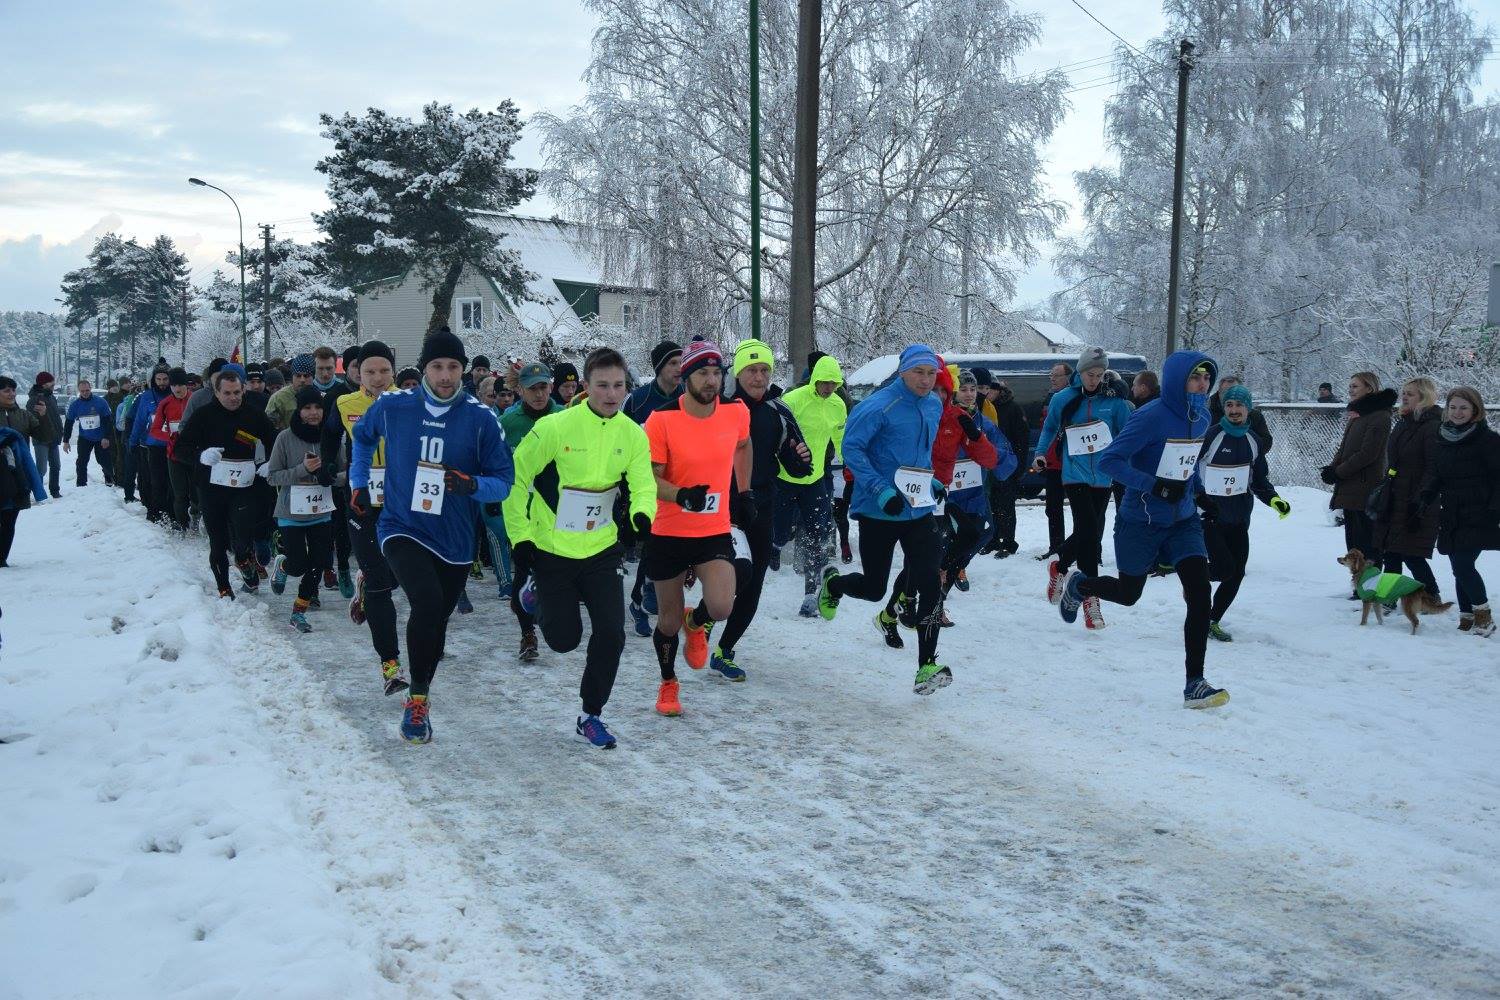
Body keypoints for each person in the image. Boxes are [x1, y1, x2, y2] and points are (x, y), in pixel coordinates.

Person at [350, 329, 513, 744]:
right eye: (437, 366)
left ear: (463, 370)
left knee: (435, 620)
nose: (445, 375)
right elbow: (363, 437)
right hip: (401, 525)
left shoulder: (481, 418)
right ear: (424, 368)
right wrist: (359, 480)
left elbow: (504, 481)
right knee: (426, 601)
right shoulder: (393, 406)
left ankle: (421, 685)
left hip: (455, 539)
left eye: (453, 367)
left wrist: (470, 485)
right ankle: (417, 702)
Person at [1056, 351, 1232, 709]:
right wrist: (1154, 485)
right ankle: (1081, 584)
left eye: (1206, 378)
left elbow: (1189, 462)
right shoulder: (1150, 417)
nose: (1202, 384)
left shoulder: (1203, 417)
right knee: (1128, 593)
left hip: (1183, 522)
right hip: (1141, 521)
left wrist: (1199, 493)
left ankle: (1194, 683)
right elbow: (1110, 461)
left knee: (1199, 593)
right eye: (1195, 377)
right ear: (1177, 380)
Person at [505, 348, 656, 747]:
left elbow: (643, 485)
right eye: (602, 385)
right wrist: (520, 537)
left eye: (618, 386)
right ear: (585, 387)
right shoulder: (555, 428)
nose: (611, 394)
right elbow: (515, 480)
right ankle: (533, 593)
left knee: (612, 633)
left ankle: (591, 714)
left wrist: (642, 515)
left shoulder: (633, 433)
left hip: (602, 548)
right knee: (564, 640)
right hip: (552, 549)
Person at [815, 343, 951, 695]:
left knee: (930, 583)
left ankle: (926, 666)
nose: (925, 380)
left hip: (918, 509)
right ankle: (835, 585)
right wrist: (879, 490)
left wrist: (930, 480)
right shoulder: (878, 406)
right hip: (880, 508)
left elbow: (917, 454)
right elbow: (853, 450)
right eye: (918, 372)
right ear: (903, 371)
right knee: (875, 588)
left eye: (931, 373)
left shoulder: (934, 404)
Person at [641, 337, 751, 715]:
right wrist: (681, 496)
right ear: (686, 377)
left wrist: (745, 490)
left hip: (712, 528)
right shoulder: (662, 420)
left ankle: (698, 620)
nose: (711, 381)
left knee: (722, 605)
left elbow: (744, 445)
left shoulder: (735, 413)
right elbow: (650, 478)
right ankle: (668, 683)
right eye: (702, 373)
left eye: (717, 373)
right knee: (667, 621)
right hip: (668, 530)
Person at [709, 339, 811, 681]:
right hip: (722, 506)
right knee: (739, 571)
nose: (758, 377)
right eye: (751, 369)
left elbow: (795, 464)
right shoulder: (717, 406)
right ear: (738, 372)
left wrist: (800, 460)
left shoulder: (778, 412)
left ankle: (724, 650)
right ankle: (704, 617)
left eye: (764, 370)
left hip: (762, 504)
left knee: (754, 584)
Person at [1033, 346, 1133, 629]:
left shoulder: (1113, 401)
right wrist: (1041, 453)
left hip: (1102, 475)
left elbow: (1126, 433)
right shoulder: (1064, 398)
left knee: (1091, 534)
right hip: (1074, 473)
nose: (1094, 380)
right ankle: (1091, 600)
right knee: (1089, 531)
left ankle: (1060, 566)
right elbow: (1050, 428)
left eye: (1100, 375)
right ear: (1080, 372)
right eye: (1090, 374)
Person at [334, 340, 407, 695]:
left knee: (393, 578)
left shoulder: (412, 405)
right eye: (369, 372)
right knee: (381, 586)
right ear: (357, 373)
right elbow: (327, 445)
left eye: (384, 371)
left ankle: (365, 584)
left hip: (400, 504)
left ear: (393, 372)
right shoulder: (344, 404)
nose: (377, 379)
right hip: (362, 503)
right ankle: (390, 665)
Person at [1195, 384, 1291, 641]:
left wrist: (1274, 501)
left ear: (1248, 409)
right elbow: (1190, 469)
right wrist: (1198, 499)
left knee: (1236, 574)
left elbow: (1259, 480)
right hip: (1210, 517)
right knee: (1222, 569)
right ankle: (1191, 575)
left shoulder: (1253, 441)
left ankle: (1210, 620)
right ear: (1224, 408)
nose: (1234, 410)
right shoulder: (1211, 436)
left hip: (1239, 518)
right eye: (1229, 405)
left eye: (1239, 405)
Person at [173, 368, 277, 597]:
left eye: (237, 392)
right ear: (217, 393)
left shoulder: (254, 415)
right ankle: (224, 587)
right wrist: (201, 456)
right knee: (217, 540)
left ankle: (243, 558)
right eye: (228, 393)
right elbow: (180, 449)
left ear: (243, 390)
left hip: (245, 487)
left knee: (241, 536)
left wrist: (271, 463)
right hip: (212, 488)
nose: (233, 398)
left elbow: (274, 442)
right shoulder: (203, 415)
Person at [1420, 386, 1500, 637]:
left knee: (1463, 564)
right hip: (1452, 511)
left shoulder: (1489, 441)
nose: (1457, 412)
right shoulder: (1443, 438)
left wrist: (1495, 509)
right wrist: (1425, 495)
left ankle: (1483, 617)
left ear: (1475, 410)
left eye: (1464, 408)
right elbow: (1436, 473)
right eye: (1453, 407)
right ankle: (1467, 615)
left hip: (1480, 511)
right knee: (1457, 563)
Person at [499, 362, 565, 660]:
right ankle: (528, 634)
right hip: (522, 514)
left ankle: (550, 613)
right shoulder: (508, 422)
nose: (539, 394)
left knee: (552, 573)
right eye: (532, 388)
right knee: (523, 573)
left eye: (543, 387)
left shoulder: (565, 418)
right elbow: (498, 462)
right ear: (520, 390)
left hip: (558, 509)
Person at [774, 351, 841, 617]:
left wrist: (850, 464)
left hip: (815, 478)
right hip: (785, 478)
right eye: (825, 383)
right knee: (779, 533)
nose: (828, 388)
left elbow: (841, 435)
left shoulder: (837, 404)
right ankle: (774, 548)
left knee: (817, 533)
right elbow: (775, 433)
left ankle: (810, 594)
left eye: (833, 384)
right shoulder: (793, 400)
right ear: (815, 380)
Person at [267, 387, 340, 633]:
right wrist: (302, 470)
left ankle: (298, 611)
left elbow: (346, 472)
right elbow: (273, 476)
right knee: (299, 565)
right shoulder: (285, 438)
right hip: (291, 513)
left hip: (321, 511)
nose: (313, 413)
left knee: (319, 564)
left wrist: (329, 477)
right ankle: (285, 566)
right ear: (298, 411)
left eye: (318, 408)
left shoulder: (331, 436)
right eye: (307, 408)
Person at [1371, 378, 1447, 611]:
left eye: (1411, 394)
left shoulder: (1431, 425)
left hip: (1416, 498)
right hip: (1395, 493)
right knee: (1391, 549)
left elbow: (1432, 467)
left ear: (1424, 397)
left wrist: (1421, 499)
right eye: (1404, 393)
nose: (1405, 397)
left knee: (1411, 552)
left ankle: (1432, 595)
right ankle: (1389, 596)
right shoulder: (1404, 422)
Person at [623, 340, 682, 635]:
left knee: (670, 545)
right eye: (673, 363)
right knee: (655, 539)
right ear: (659, 368)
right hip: (645, 481)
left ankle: (640, 597)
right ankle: (645, 591)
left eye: (681, 362)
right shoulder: (639, 399)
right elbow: (620, 436)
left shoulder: (688, 398)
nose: (679, 368)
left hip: (679, 483)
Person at [1322, 371, 1395, 587]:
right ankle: (1360, 586)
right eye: (1350, 386)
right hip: (1349, 488)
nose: (1350, 390)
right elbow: (1344, 449)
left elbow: (1367, 454)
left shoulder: (1380, 416)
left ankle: (1372, 586)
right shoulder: (1358, 415)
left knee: (1368, 542)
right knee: (1354, 542)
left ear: (1369, 388)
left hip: (1365, 488)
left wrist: (1339, 472)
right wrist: (1332, 468)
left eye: (1355, 386)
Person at [982, 377, 1029, 558]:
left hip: (1007, 466)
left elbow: (1022, 440)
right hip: (989, 467)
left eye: (992, 389)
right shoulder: (984, 408)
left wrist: (1018, 467)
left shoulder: (1012, 408)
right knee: (991, 505)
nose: (988, 393)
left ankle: (1008, 542)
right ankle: (992, 540)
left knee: (1006, 507)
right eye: (986, 389)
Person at [149, 368, 193, 530]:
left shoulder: (195, 399)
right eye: (174, 385)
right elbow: (154, 430)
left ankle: (197, 521)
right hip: (174, 456)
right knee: (179, 494)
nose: (177, 389)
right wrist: (171, 437)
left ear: (187, 385)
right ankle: (183, 526)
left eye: (181, 384)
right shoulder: (165, 403)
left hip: (195, 454)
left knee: (196, 494)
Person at [1036, 361, 1072, 559]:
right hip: (1053, 463)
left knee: (1080, 509)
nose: (1052, 378)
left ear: (1068, 377)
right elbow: (1047, 429)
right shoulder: (1052, 398)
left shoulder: (1076, 398)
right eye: (1051, 375)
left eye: (1056, 375)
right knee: (1052, 507)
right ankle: (1056, 546)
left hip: (1072, 463)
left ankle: (1086, 547)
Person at [128, 365, 172, 522]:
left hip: (172, 446)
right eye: (158, 379)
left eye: (165, 379)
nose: (162, 383)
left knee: (171, 482)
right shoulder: (146, 397)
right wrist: (133, 441)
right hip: (153, 446)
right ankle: (154, 512)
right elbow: (139, 421)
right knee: (155, 481)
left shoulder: (175, 395)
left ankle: (170, 512)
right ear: (153, 380)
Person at [0, 422, 46, 567]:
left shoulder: (12, 434)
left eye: (13, 396)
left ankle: (1, 559)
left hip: (14, 486)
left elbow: (27, 461)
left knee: (8, 522)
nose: (11, 396)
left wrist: (37, 488)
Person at [62, 379, 114, 487]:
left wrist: (106, 437)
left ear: (90, 389)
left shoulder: (100, 402)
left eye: (87, 390)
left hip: (100, 437)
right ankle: (81, 484)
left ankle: (109, 478)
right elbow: (69, 423)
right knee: (82, 461)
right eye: (82, 391)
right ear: (79, 391)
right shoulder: (75, 405)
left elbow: (108, 420)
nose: (85, 393)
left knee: (104, 460)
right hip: (85, 437)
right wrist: (66, 441)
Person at [1208, 375, 1273, 450]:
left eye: (1234, 390)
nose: (1230, 395)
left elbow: (1266, 442)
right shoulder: (1207, 415)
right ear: (1218, 392)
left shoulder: (1255, 416)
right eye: (1225, 391)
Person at [26, 372, 64, 499]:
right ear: (43, 384)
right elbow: (33, 422)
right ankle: (39, 492)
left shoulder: (52, 397)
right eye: (51, 383)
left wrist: (60, 431)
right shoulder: (33, 400)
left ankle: (55, 491)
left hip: (54, 437)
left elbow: (56, 417)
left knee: (56, 466)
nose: (53, 385)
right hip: (41, 439)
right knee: (41, 468)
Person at [267, 352, 320, 430]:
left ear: (313, 377)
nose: (302, 380)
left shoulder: (320, 397)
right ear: (292, 376)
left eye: (306, 376)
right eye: (298, 376)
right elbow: (268, 429)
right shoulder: (278, 399)